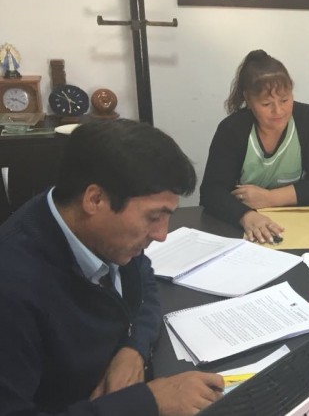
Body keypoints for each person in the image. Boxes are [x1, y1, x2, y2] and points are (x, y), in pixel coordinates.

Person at [0, 120, 224, 416]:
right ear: (95, 199)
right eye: (153, 216)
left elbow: (144, 283)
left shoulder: (102, 235)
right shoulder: (13, 287)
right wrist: (148, 401)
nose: (161, 234)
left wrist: (133, 348)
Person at [200, 50, 309, 244]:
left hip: (300, 225)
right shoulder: (232, 130)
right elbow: (211, 192)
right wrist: (246, 216)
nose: (278, 111)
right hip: (244, 226)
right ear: (249, 100)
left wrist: (270, 198)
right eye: (266, 104)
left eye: (285, 100)